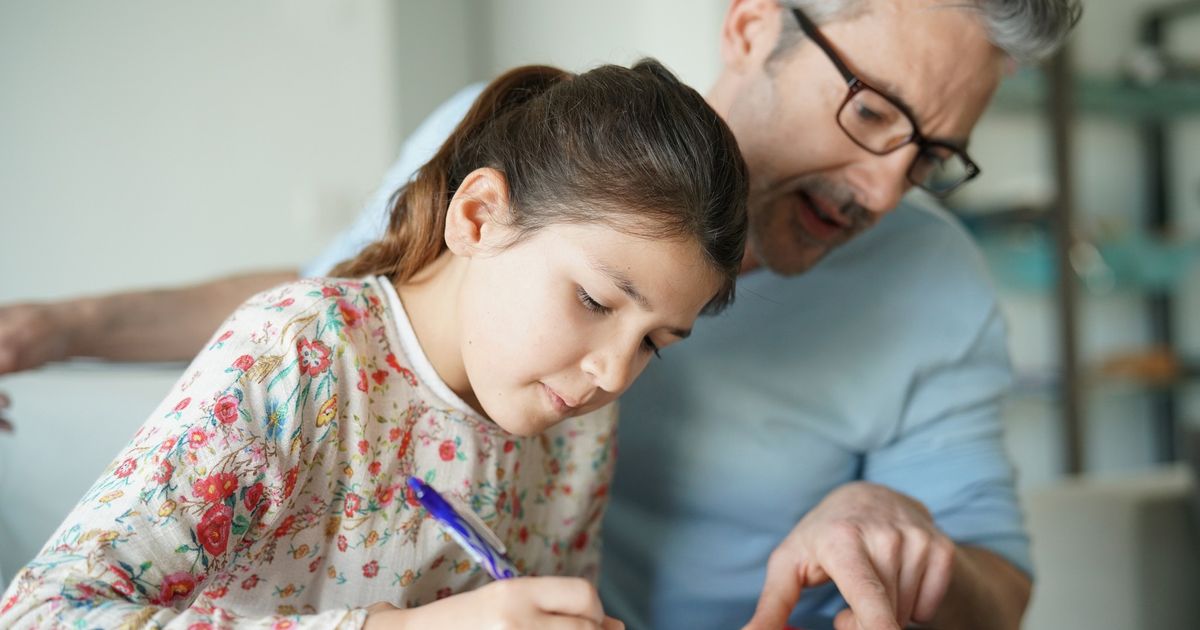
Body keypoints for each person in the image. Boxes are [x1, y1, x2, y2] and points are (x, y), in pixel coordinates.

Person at [0, 0, 1083, 628]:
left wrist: (898, 536)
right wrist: (58, 330)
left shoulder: (577, 420)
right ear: (755, 28)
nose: (890, 191)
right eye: (874, 112)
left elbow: (999, 573)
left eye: (933, 156)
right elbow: (325, 312)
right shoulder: (323, 341)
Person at [0, 60, 748, 629]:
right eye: (593, 300)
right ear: (480, 217)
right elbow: (43, 615)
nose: (614, 372)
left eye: (655, 341)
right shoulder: (301, 357)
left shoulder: (579, 422)